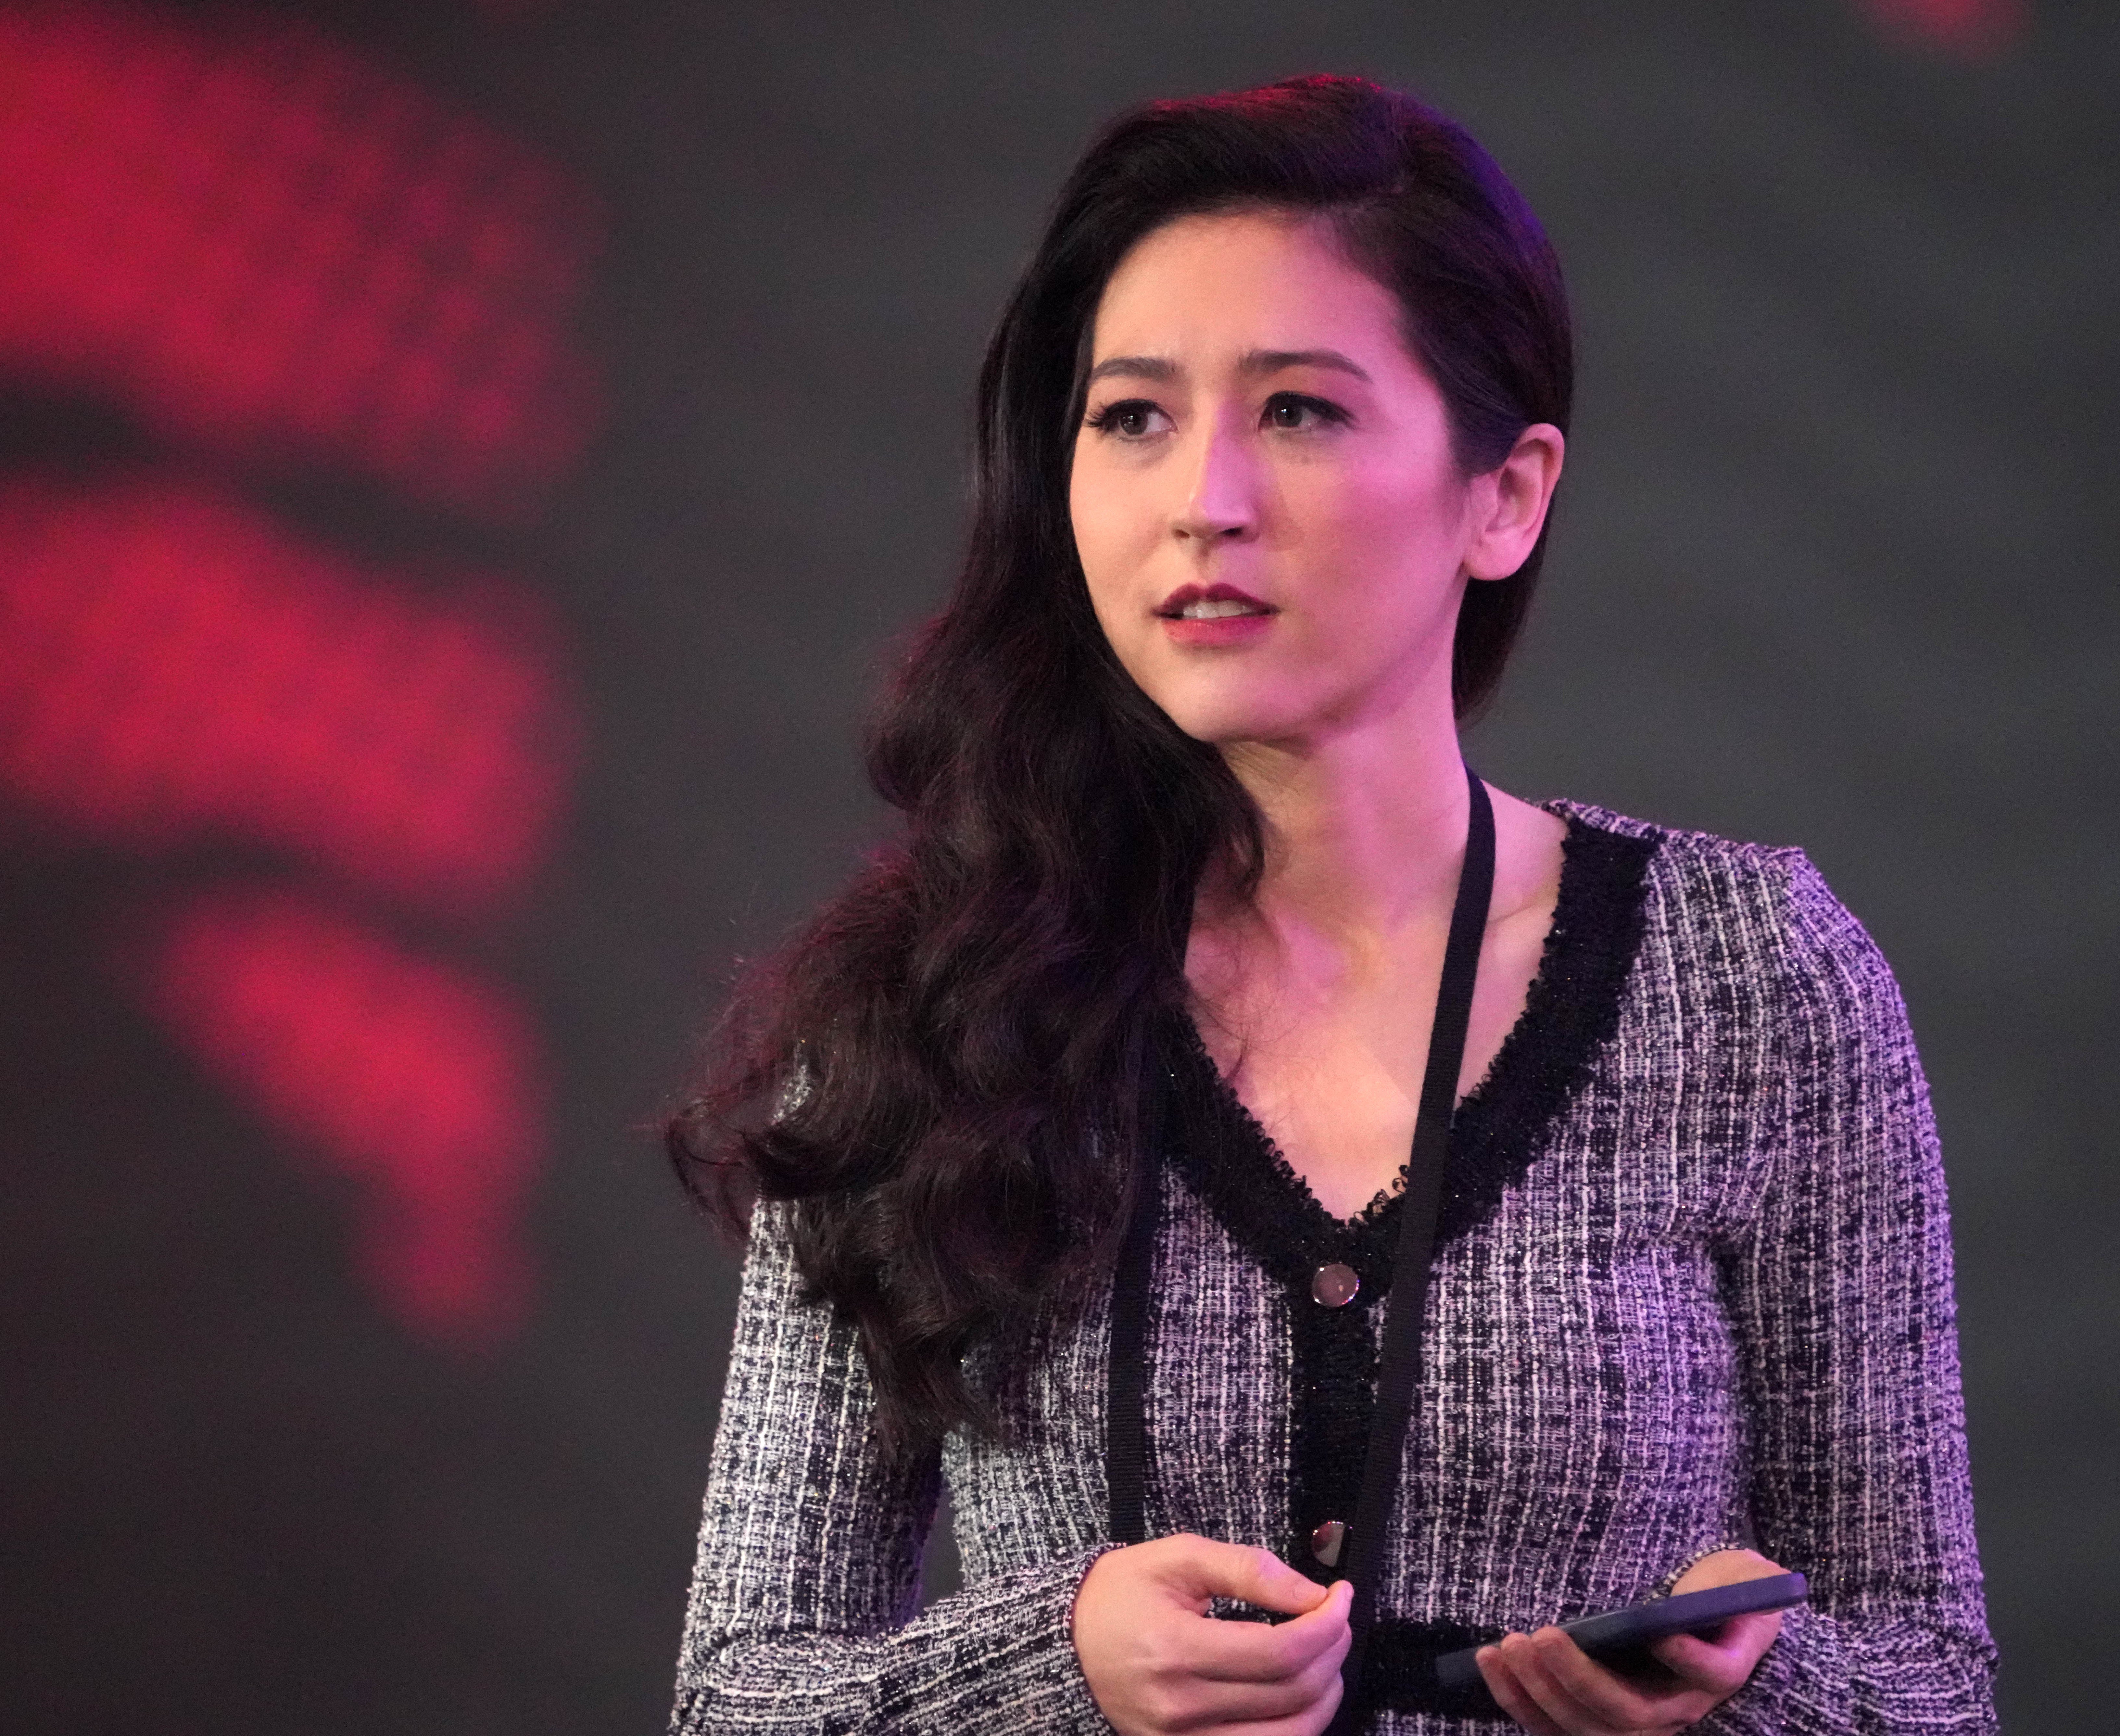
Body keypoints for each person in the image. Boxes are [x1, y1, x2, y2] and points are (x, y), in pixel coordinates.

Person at [665, 75, 1996, 1736]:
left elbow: (1930, 1681)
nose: (1201, 496)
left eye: (1296, 410)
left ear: (1502, 494)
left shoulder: (1751, 977)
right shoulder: (925, 1002)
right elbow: (738, 1697)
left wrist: (1742, 1693)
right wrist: (1050, 1669)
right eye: (1131, 416)